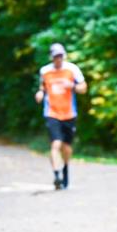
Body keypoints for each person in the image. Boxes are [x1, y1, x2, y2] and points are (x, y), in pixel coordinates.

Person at [35, 43, 87, 189]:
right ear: (51, 57)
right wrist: (40, 93)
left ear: (63, 56)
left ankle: (64, 169)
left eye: (60, 56)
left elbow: (84, 88)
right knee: (56, 143)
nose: (58, 59)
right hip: (52, 112)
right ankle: (56, 173)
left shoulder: (72, 69)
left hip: (69, 112)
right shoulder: (45, 71)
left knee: (66, 147)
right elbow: (43, 87)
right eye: (55, 56)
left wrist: (72, 86)